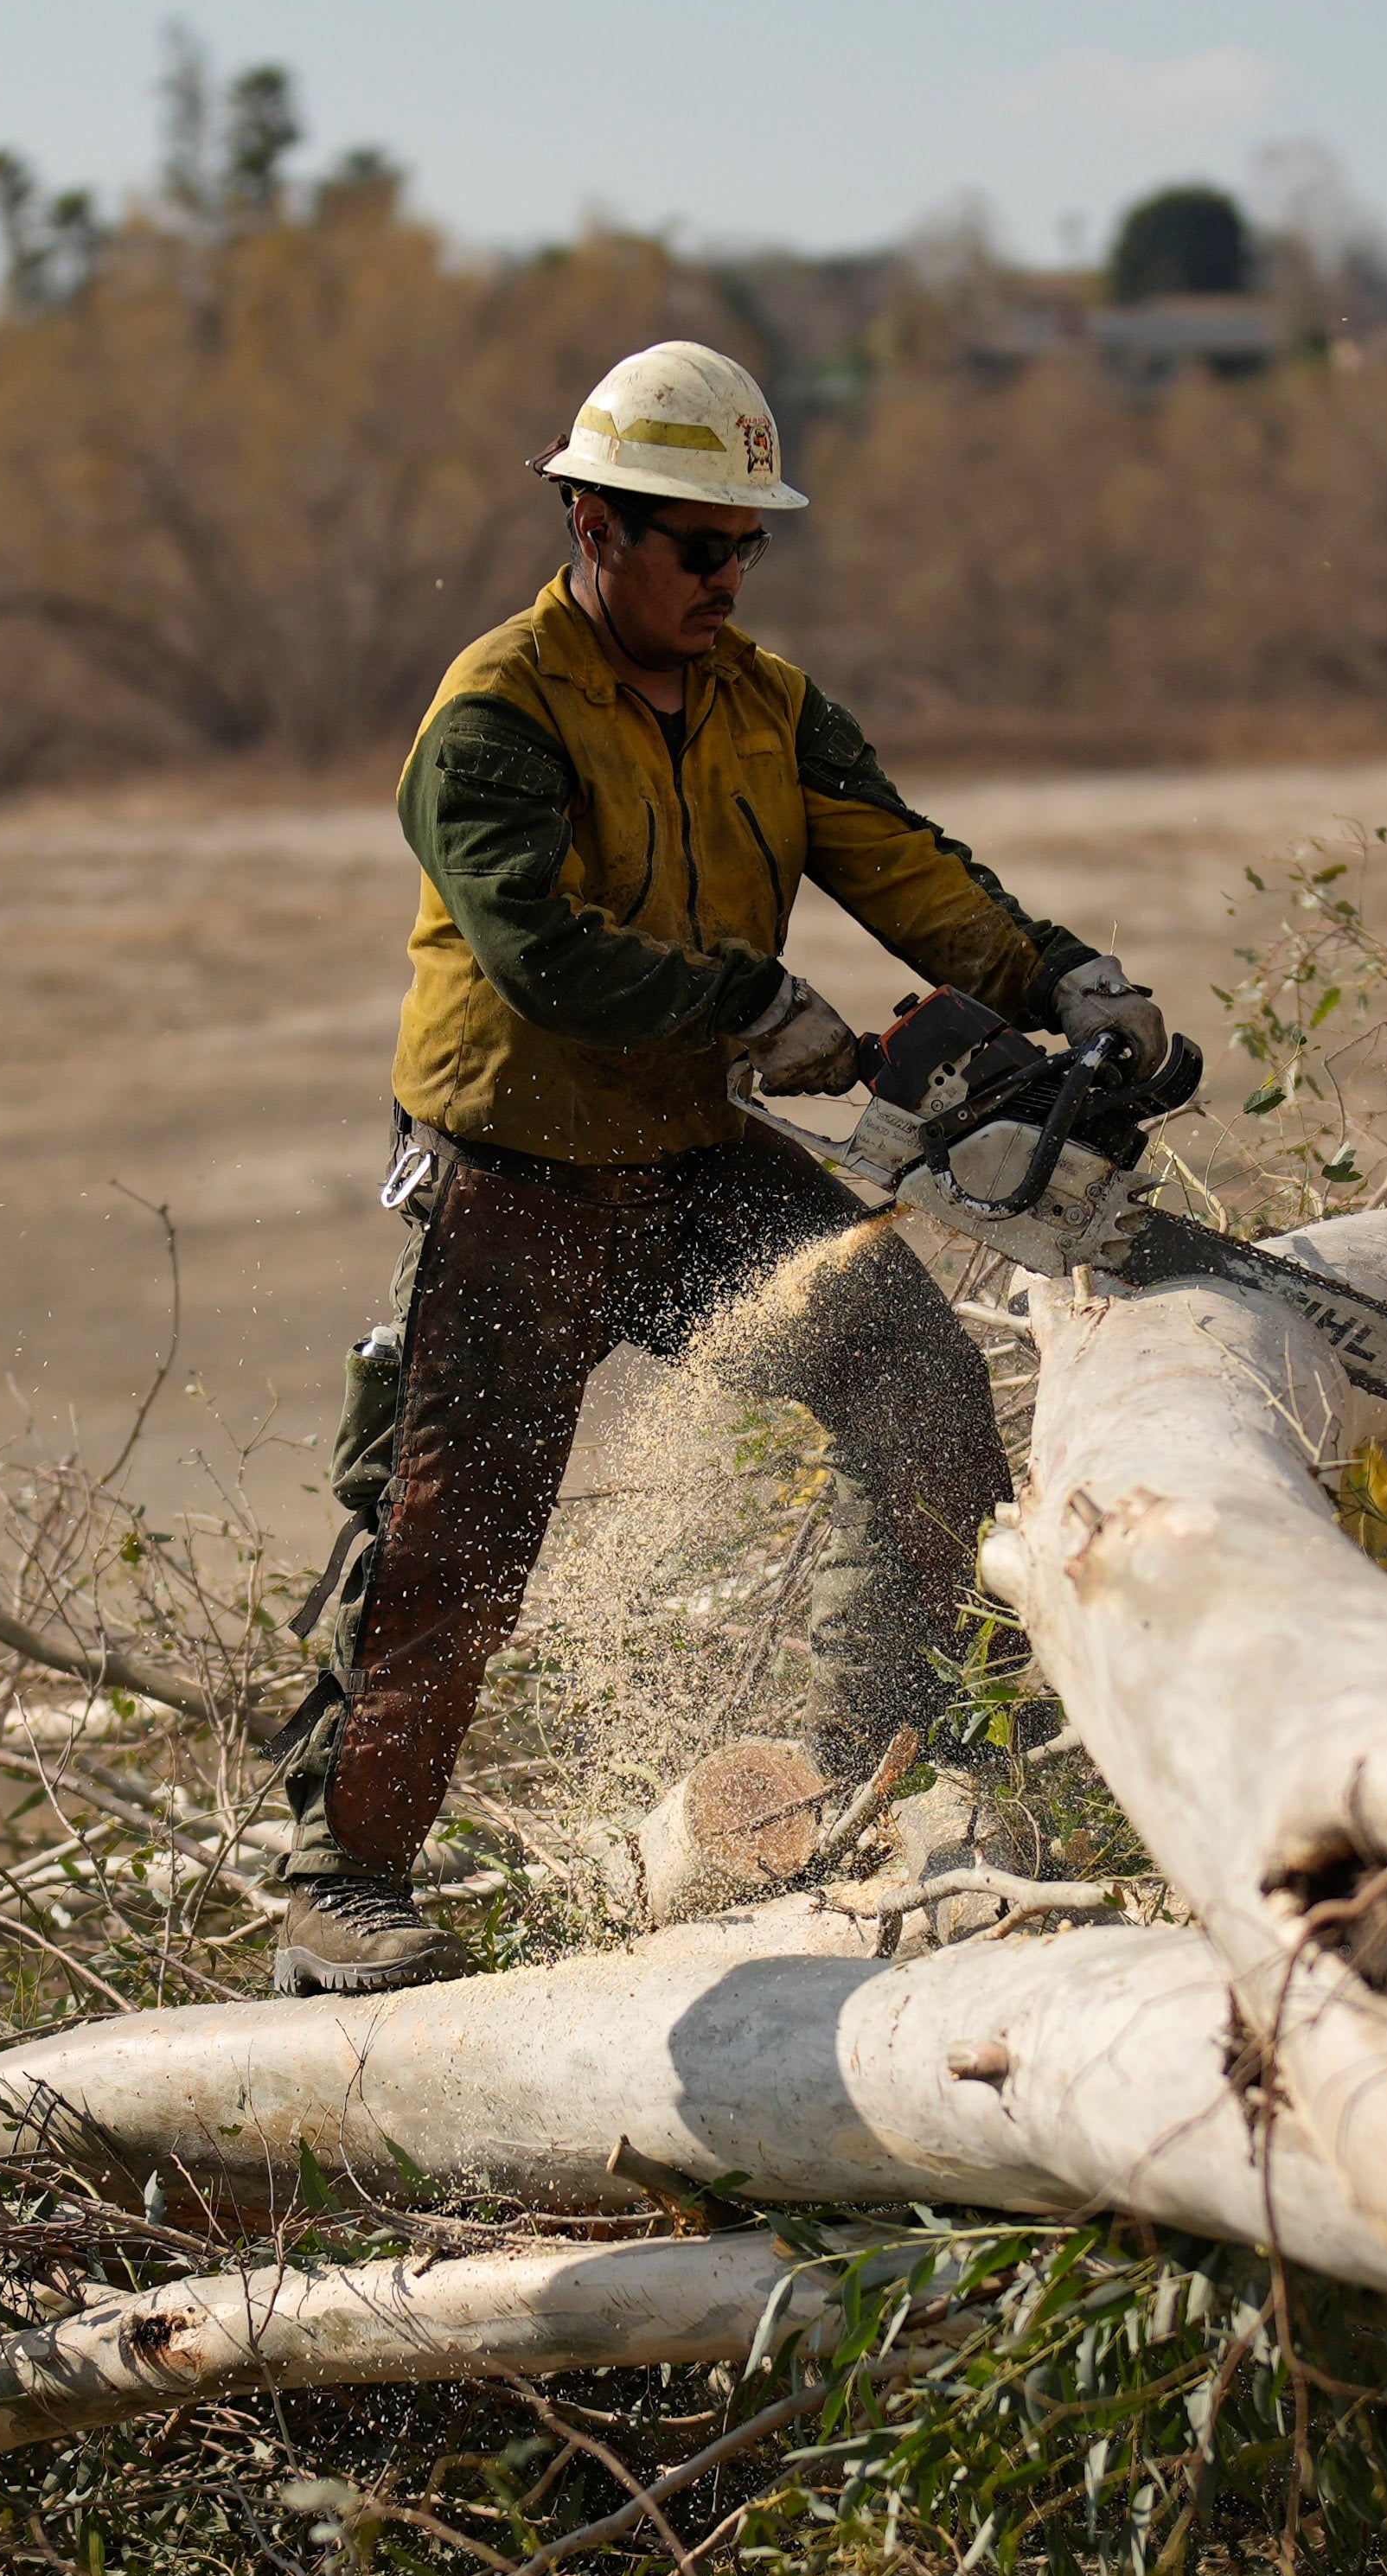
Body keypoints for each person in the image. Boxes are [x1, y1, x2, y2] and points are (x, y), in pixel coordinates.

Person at [265, 340, 1153, 1995]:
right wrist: (742, 1003)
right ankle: (339, 1881)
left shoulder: (770, 706)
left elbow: (910, 871)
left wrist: (1067, 981)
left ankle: (879, 1769)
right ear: (594, 524)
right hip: (516, 1176)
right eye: (695, 546)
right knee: (455, 1534)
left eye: (747, 546)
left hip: (687, 1161)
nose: (725, 579)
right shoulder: (492, 716)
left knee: (912, 1375)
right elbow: (537, 953)